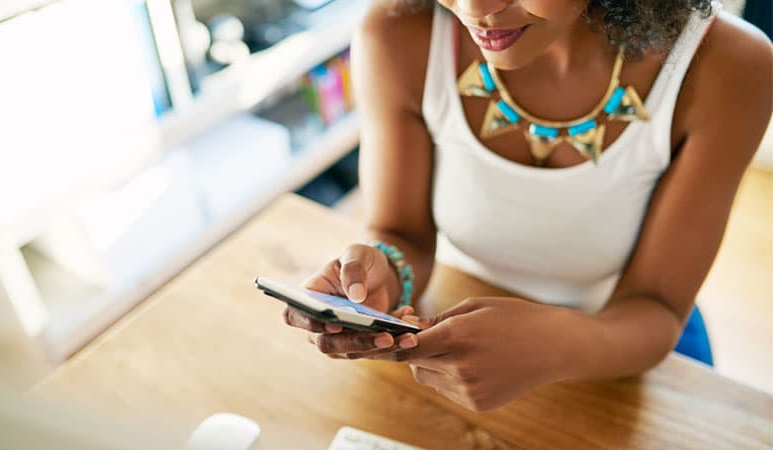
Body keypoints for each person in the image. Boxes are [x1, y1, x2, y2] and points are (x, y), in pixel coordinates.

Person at [283, 0, 773, 412]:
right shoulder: (396, 34)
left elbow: (657, 309)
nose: (478, 10)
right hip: (464, 336)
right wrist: (377, 282)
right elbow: (403, 233)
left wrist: (559, 346)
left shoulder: (726, 68)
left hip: (626, 344)